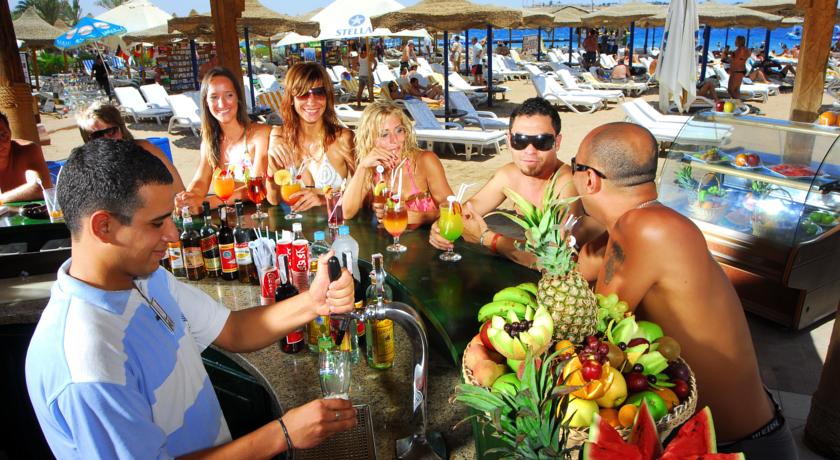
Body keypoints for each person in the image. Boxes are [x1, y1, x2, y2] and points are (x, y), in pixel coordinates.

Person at [25, 138, 358, 459]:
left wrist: (316, 301)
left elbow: (233, 330)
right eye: (157, 223)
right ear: (103, 227)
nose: (172, 235)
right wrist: (282, 434)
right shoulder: (87, 365)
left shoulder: (146, 279)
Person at [572, 122, 798, 459]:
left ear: (589, 179)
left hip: (741, 448)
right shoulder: (647, 221)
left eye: (573, 167)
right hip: (743, 436)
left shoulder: (642, 228)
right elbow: (582, 270)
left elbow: (595, 334)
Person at [428, 97, 601, 266]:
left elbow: (553, 256)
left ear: (557, 142)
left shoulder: (567, 183)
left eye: (542, 141)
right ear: (509, 140)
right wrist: (440, 227)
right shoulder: (509, 175)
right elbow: (466, 212)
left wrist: (487, 238)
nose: (530, 151)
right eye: (520, 141)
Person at [175, 66, 270, 213]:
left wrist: (206, 203)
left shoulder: (260, 134)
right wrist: (188, 198)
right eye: (214, 97)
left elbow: (257, 186)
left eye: (229, 95)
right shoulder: (209, 142)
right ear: (206, 102)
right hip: (229, 219)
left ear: (238, 98)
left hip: (262, 217)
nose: (222, 103)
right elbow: (201, 180)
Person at [343, 102, 454, 225]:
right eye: (384, 134)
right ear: (369, 138)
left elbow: (453, 209)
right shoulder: (371, 169)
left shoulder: (424, 161)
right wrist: (362, 167)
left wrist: (418, 217)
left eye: (399, 130)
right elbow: (346, 213)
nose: (394, 140)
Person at [266, 63, 355, 210]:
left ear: (327, 96)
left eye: (319, 92)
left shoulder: (343, 138)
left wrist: (323, 200)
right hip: (295, 223)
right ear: (291, 98)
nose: (311, 101)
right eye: (303, 93)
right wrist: (271, 164)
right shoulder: (280, 137)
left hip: (333, 223)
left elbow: (364, 192)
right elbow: (273, 200)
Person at [76, 101, 184, 192]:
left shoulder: (145, 150)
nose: (106, 139)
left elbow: (178, 188)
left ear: (121, 129)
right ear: (87, 140)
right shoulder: (86, 170)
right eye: (97, 135)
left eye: (111, 131)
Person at [0, 111, 52, 203]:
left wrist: (1, 199)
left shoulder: (27, 150)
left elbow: (41, 187)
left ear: (10, 133)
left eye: (2, 135)